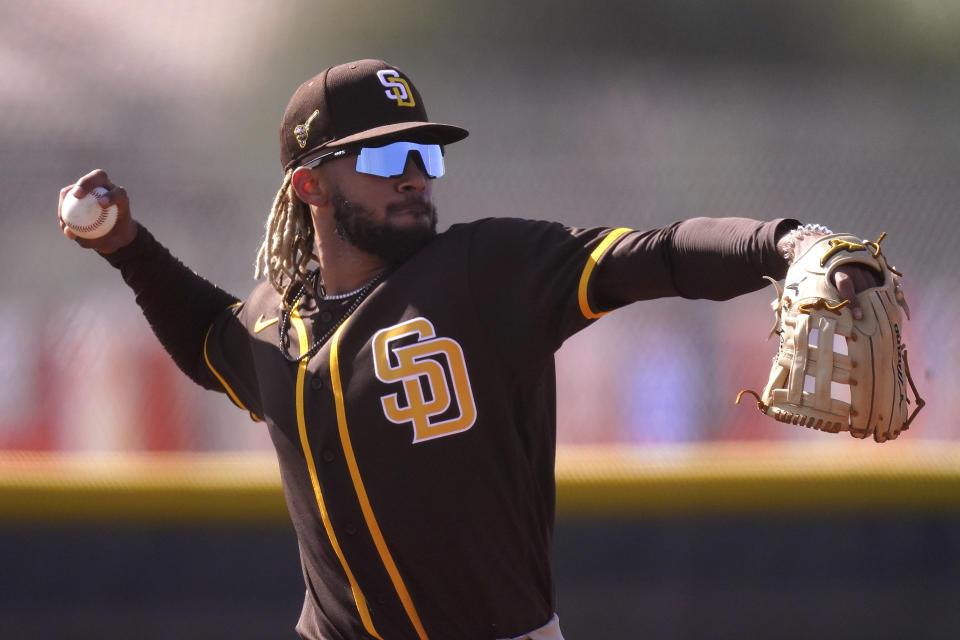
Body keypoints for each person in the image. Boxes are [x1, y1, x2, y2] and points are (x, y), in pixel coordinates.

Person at [59, 59, 877, 640]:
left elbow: (653, 254)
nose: (416, 174)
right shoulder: (279, 324)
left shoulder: (488, 272)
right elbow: (209, 341)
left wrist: (785, 243)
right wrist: (127, 248)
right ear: (310, 183)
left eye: (426, 153)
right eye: (386, 156)